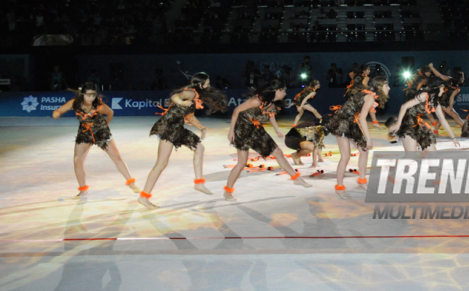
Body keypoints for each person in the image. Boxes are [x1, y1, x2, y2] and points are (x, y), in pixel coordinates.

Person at [138, 72, 228, 209]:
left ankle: (199, 183)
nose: (209, 86)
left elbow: (189, 116)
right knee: (161, 164)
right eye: (207, 84)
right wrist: (182, 102)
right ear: (200, 85)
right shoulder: (190, 93)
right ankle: (143, 197)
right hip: (168, 128)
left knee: (199, 148)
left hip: (177, 128)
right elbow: (175, 96)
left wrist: (201, 128)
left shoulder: (195, 95)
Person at [225, 79, 311, 201]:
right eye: (283, 91)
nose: (285, 94)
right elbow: (236, 111)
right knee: (242, 163)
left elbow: (271, 115)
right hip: (243, 130)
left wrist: (276, 130)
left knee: (278, 153)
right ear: (277, 91)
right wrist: (231, 130)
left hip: (256, 129)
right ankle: (228, 191)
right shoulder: (256, 101)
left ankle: (296, 178)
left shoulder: (272, 103)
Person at [52, 83, 140, 198]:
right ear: (82, 94)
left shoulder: (98, 105)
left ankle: (132, 183)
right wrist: (56, 114)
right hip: (85, 133)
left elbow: (110, 112)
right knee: (77, 161)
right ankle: (83, 190)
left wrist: (106, 125)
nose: (91, 98)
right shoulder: (75, 103)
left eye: (93, 95)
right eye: (88, 95)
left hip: (101, 132)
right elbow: (58, 111)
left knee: (117, 157)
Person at [325, 76, 390, 198]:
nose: (389, 88)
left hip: (351, 122)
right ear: (380, 87)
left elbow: (358, 115)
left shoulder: (369, 95)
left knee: (364, 151)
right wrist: (368, 138)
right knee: (345, 157)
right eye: (386, 85)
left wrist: (360, 134)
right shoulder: (370, 97)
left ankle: (362, 181)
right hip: (342, 123)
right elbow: (362, 117)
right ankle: (339, 187)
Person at [387, 80, 460, 151]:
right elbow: (404, 106)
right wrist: (398, 124)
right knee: (411, 156)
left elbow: (443, 121)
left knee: (433, 154)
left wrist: (453, 138)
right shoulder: (424, 95)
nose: (444, 91)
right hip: (408, 125)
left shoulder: (435, 103)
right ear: (436, 88)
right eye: (442, 89)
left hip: (418, 124)